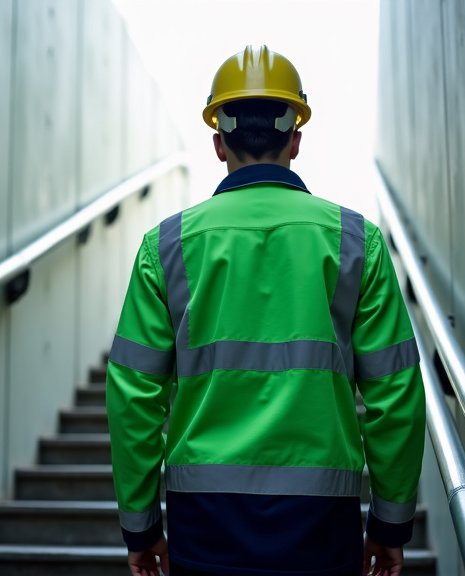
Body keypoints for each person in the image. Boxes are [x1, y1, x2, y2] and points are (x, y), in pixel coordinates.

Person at [106, 45, 425, 576]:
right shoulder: (355, 242)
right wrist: (389, 526)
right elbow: (396, 394)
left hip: (204, 521)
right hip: (322, 523)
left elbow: (133, 398)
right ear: (294, 139)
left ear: (218, 141)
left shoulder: (166, 247)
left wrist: (140, 527)